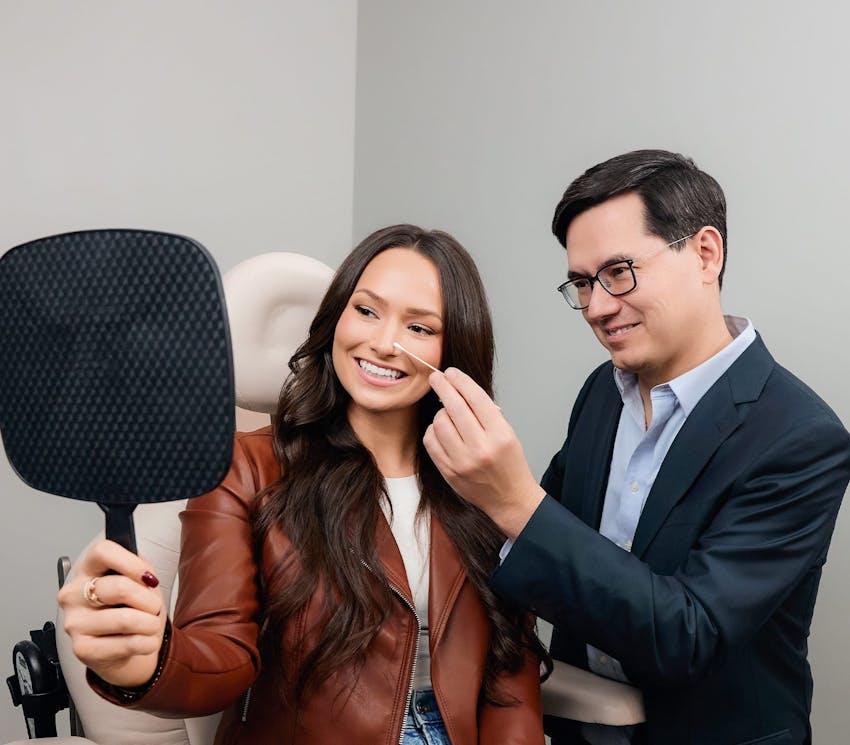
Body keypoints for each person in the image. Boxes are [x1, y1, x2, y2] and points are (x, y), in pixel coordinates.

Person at [58, 224, 549, 745]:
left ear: (455, 348)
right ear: (336, 317)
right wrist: (147, 660)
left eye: (420, 328)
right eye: (365, 310)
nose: (383, 343)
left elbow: (508, 669)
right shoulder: (245, 467)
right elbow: (220, 653)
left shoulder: (482, 480)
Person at [423, 151, 850, 745]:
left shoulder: (801, 437)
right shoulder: (603, 390)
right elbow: (548, 550)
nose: (597, 307)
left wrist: (517, 501)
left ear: (705, 253)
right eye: (580, 283)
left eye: (619, 272)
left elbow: (690, 634)